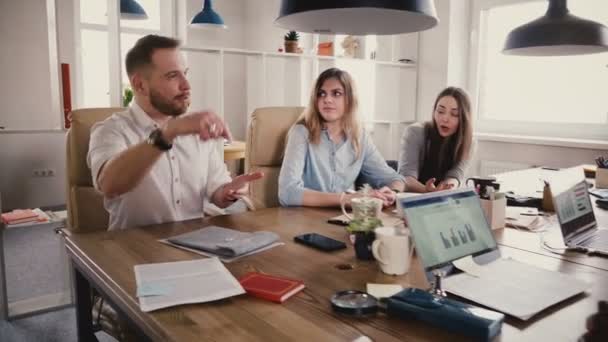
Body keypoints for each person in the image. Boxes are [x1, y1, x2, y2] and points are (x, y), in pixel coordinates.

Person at [87, 34, 263, 230]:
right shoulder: (110, 130)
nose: (186, 85)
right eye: (172, 76)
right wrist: (168, 134)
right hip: (135, 248)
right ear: (140, 85)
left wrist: (229, 191)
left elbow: (217, 194)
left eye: (185, 73)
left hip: (194, 243)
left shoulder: (198, 129)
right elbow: (110, 185)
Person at [278, 68, 406, 208]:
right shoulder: (301, 133)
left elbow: (395, 179)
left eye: (336, 94)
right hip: (306, 219)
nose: (327, 99)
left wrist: (392, 192)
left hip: (344, 218)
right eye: (321, 94)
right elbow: (287, 193)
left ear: (350, 100)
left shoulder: (360, 137)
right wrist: (349, 199)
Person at [398, 86, 475, 193]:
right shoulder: (415, 132)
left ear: (464, 118)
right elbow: (407, 177)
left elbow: (456, 175)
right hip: (411, 196)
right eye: (440, 111)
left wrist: (447, 188)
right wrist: (428, 191)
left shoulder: (468, 141)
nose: (445, 118)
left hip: (440, 199)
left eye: (454, 114)